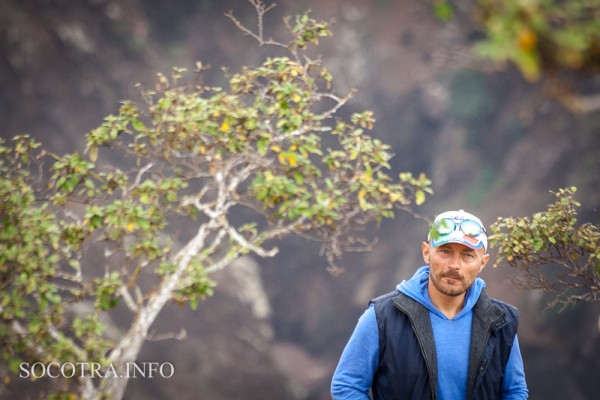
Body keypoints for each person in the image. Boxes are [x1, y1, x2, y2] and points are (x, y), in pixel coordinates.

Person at [331, 210, 528, 399]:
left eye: (467, 255)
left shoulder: (499, 321)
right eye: (445, 251)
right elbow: (346, 385)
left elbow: (515, 392)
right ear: (426, 252)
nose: (454, 265)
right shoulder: (382, 317)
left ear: (482, 263)